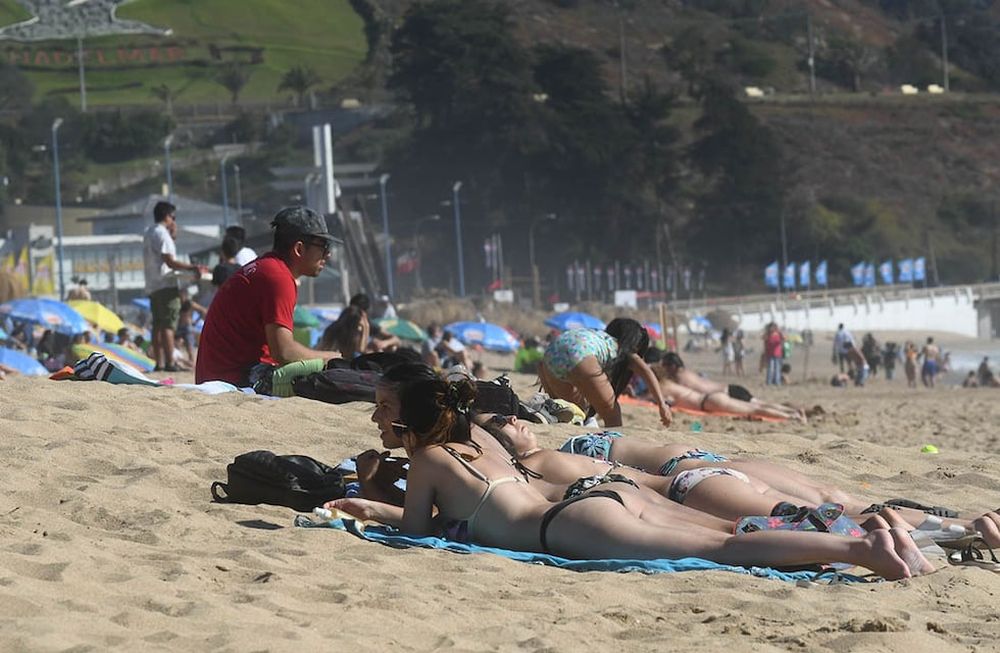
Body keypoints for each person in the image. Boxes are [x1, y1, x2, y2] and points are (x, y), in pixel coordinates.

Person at [327, 376, 932, 580]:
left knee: (724, 549)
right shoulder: (479, 439)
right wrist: (377, 507)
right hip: (604, 492)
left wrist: (374, 506)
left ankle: (862, 550)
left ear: (409, 417)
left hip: (573, 525)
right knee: (732, 531)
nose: (377, 418)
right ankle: (877, 534)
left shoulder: (429, 460)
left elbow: (421, 533)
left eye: (383, 409)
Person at [195, 206, 340, 387]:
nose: (328, 254)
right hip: (232, 381)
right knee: (333, 377)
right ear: (299, 249)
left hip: (218, 376)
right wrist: (329, 358)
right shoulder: (278, 278)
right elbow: (284, 352)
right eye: (323, 247)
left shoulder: (267, 268)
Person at [537, 318, 672, 428]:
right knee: (612, 414)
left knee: (573, 410)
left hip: (551, 354)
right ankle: (612, 442)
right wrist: (662, 404)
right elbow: (646, 371)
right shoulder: (622, 348)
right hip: (581, 353)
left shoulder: (597, 335)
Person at [143, 201, 207, 372]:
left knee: (157, 325)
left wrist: (173, 235)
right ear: (167, 216)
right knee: (168, 325)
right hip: (166, 284)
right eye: (173, 217)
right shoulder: (162, 233)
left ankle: (159, 363)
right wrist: (192, 267)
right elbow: (170, 261)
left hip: (153, 285)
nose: (174, 221)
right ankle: (170, 362)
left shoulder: (149, 232)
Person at [175, 288, 207, 370]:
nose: (181, 297)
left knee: (189, 347)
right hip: (178, 327)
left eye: (182, 295)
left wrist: (196, 322)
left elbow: (203, 311)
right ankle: (180, 362)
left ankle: (192, 364)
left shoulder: (190, 303)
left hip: (187, 326)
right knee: (177, 345)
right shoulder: (177, 303)